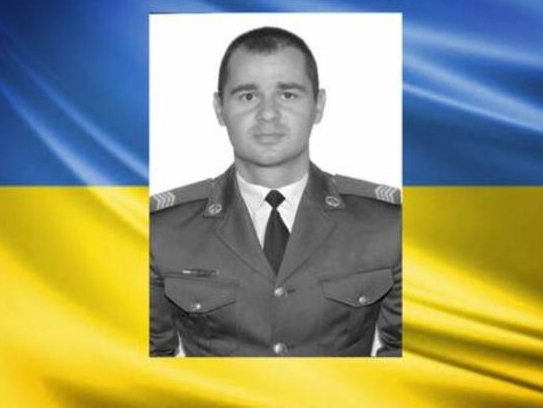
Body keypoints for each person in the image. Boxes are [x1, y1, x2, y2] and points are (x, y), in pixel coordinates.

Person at [149, 26, 401, 357]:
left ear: (319, 104)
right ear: (219, 108)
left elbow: (414, 356)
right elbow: (143, 361)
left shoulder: (387, 225)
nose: (268, 114)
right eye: (248, 96)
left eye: (288, 94)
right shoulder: (162, 231)